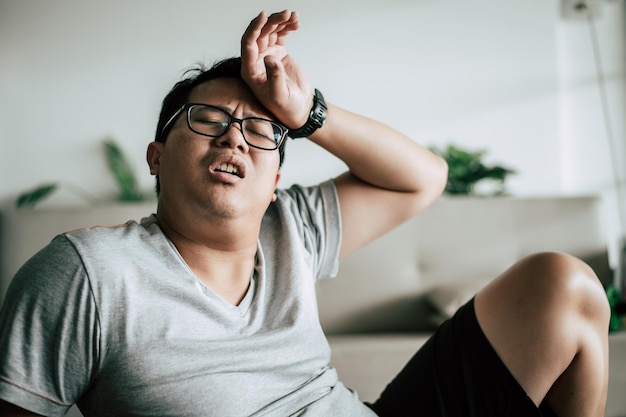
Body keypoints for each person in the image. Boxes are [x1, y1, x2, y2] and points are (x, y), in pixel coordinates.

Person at [0, 10, 610, 417]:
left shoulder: (287, 228)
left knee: (564, 285)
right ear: (156, 157)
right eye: (208, 120)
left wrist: (306, 112)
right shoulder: (87, 273)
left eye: (260, 131)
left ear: (275, 184)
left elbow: (425, 178)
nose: (234, 138)